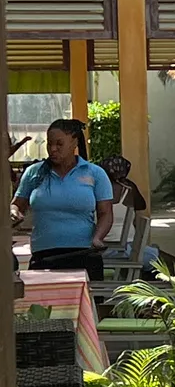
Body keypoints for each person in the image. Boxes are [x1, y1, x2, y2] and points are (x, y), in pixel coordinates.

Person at [13, 118, 115, 278]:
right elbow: (17, 204)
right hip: (44, 255)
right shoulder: (34, 172)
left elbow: (105, 213)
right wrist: (14, 212)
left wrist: (98, 237)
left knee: (86, 302)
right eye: (49, 144)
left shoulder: (95, 173)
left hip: (84, 253)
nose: (52, 149)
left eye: (59, 144)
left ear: (74, 142)